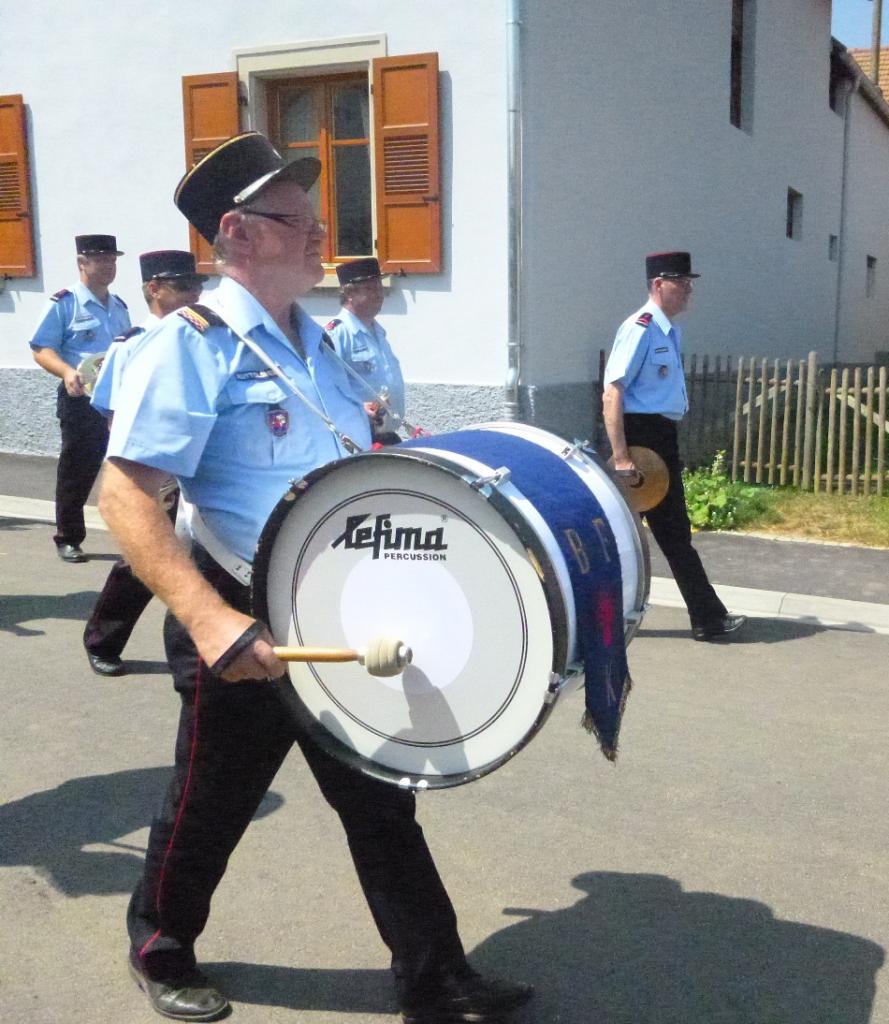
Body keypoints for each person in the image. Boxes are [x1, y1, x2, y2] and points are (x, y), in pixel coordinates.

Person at [98, 132, 532, 1024]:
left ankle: (433, 976)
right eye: (298, 221)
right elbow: (125, 496)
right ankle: (160, 943)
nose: (321, 236)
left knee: (379, 801)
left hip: (336, 610)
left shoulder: (319, 343)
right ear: (239, 233)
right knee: (210, 804)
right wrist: (211, 620)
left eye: (317, 219)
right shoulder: (191, 347)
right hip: (242, 613)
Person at [602, 251, 746, 642]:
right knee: (653, 534)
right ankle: (708, 618)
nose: (688, 289)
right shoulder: (641, 327)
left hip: (659, 438)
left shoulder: (666, 330)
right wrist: (621, 456)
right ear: (657, 284)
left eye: (689, 281)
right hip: (641, 441)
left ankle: (704, 616)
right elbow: (613, 392)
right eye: (680, 281)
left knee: (662, 534)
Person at [83, 250, 206, 677]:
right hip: (158, 470)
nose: (195, 294)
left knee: (212, 558)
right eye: (184, 286)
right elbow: (116, 414)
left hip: (203, 467)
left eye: (198, 286)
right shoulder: (131, 344)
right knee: (142, 559)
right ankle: (103, 638)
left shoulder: (206, 336)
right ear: (154, 289)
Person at [29, 234, 131, 562]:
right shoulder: (65, 303)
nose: (108, 266)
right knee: (78, 469)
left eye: (113, 260)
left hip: (116, 398)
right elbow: (41, 349)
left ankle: (137, 536)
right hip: (80, 397)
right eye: (100, 259)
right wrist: (65, 372)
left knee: (128, 465)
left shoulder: (119, 306)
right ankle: (68, 537)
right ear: (82, 263)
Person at [326, 257, 405, 444]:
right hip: (357, 438)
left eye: (380, 288)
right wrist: (358, 408)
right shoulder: (338, 335)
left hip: (384, 436)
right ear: (350, 293)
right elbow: (326, 389)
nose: (379, 294)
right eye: (371, 289)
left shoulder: (378, 332)